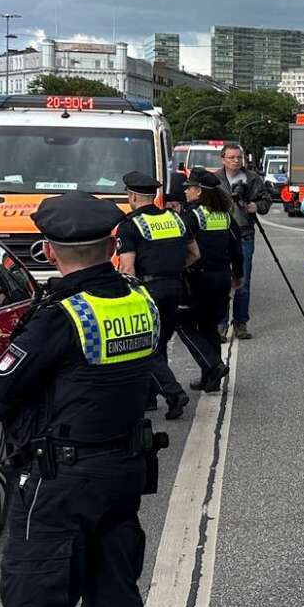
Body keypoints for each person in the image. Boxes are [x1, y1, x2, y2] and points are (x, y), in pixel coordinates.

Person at [0, 193, 164, 607]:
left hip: (60, 482)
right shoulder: (141, 301)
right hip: (124, 472)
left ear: (50, 252)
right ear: (113, 244)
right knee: (116, 605)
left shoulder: (60, 318)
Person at [115, 171, 197, 421]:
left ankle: (173, 393)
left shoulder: (130, 225)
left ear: (132, 196)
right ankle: (149, 398)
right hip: (175, 287)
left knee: (143, 346)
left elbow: (127, 268)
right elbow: (195, 254)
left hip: (147, 292)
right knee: (158, 343)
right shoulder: (175, 219)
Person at [179, 172, 244, 394]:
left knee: (187, 325)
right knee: (210, 327)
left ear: (199, 191)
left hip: (199, 279)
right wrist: (238, 274)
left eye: (189, 187)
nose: (185, 191)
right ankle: (211, 379)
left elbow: (183, 246)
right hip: (222, 277)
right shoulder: (224, 216)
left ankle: (213, 366)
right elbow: (236, 248)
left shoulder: (193, 216)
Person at [217, 143, 261, 341]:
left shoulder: (252, 178)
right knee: (222, 282)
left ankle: (241, 322)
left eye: (239, 157)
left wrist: (256, 206)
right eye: (231, 157)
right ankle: (220, 324)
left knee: (243, 281)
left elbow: (265, 200)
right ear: (223, 159)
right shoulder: (215, 180)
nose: (236, 161)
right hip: (220, 234)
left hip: (244, 234)